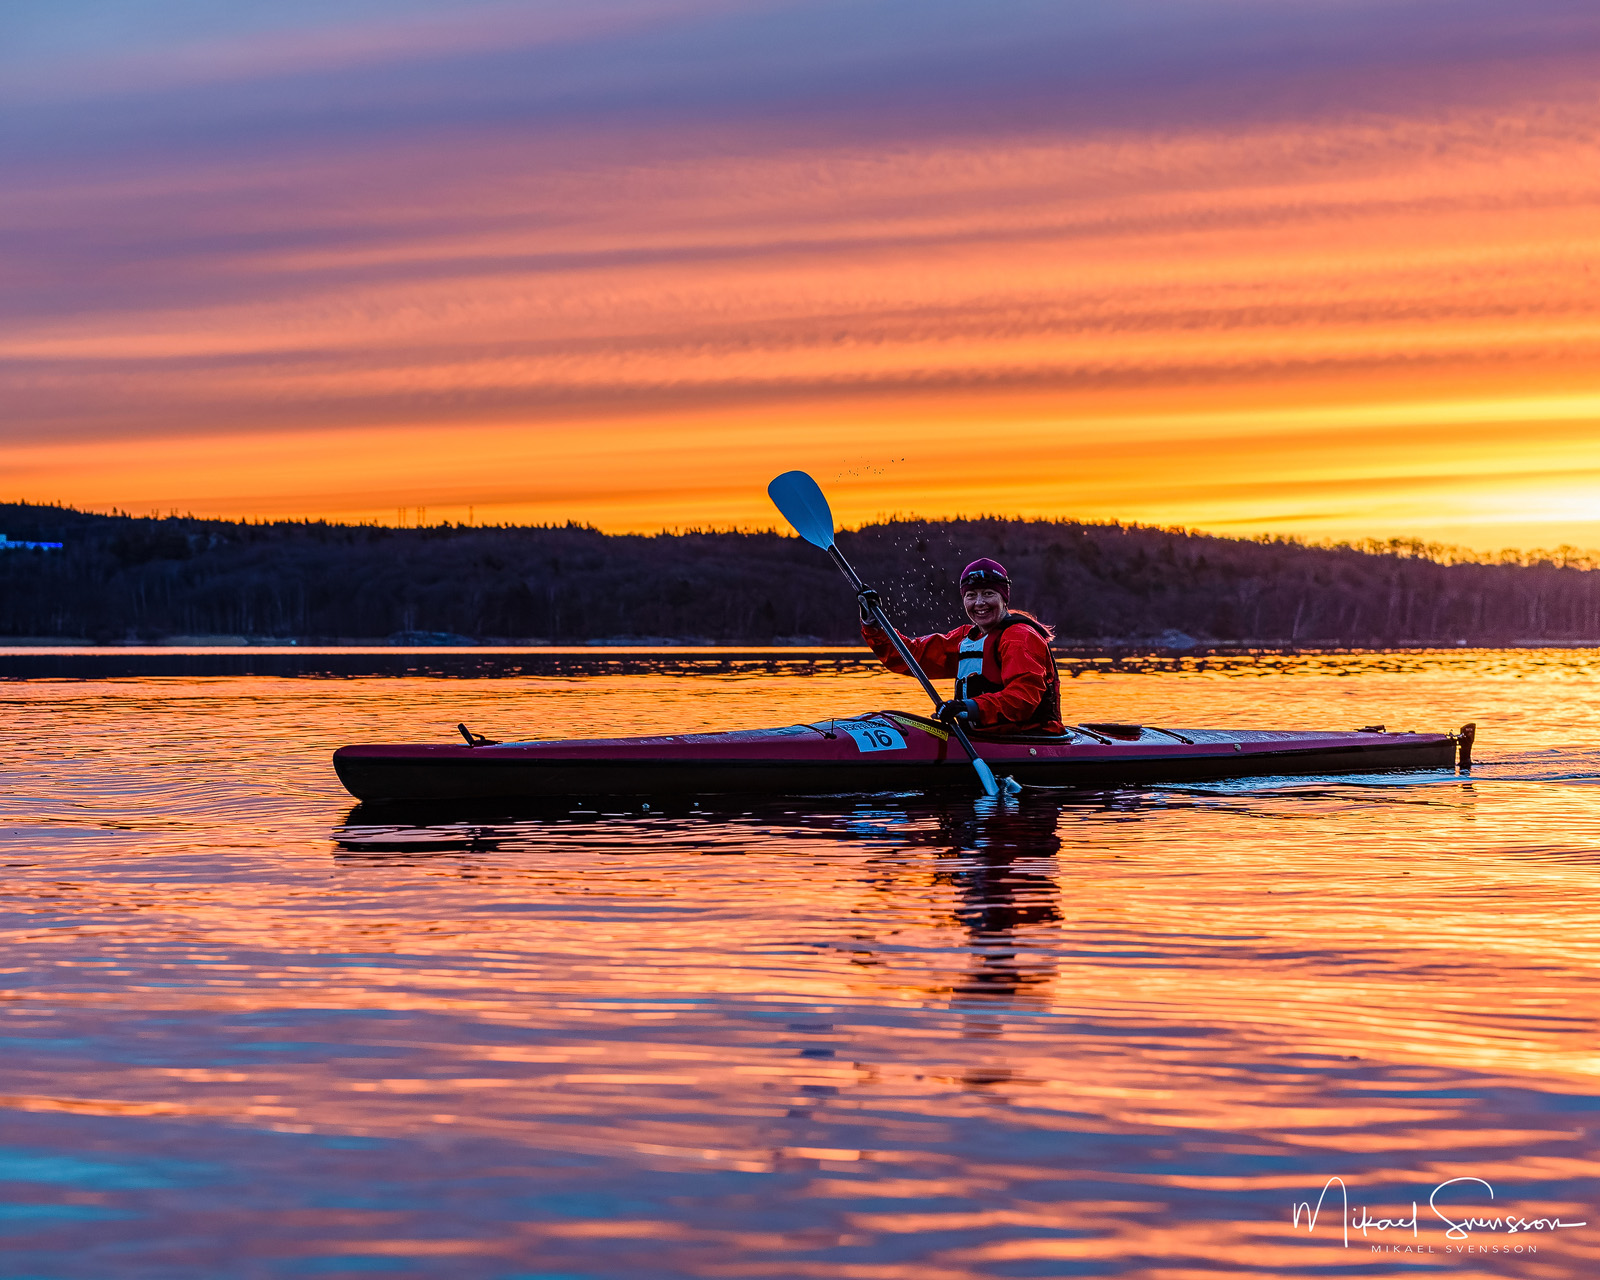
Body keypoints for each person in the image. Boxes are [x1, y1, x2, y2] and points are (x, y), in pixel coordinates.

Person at [859, 557, 1064, 735]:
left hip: (1028, 738)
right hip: (981, 736)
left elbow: (1023, 698)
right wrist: (875, 625)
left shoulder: (1020, 638)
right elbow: (912, 656)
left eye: (988, 593)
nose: (979, 603)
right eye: (971, 595)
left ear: (1004, 598)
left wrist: (969, 707)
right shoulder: (966, 638)